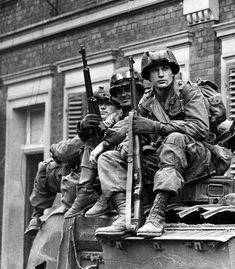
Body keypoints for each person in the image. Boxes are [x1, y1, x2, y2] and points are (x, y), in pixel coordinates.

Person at [94, 48, 232, 238]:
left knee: (174, 139)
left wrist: (157, 127)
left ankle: (157, 214)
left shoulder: (189, 92)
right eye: (154, 70)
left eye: (165, 69)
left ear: (173, 71)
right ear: (148, 76)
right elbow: (131, 123)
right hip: (168, 160)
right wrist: (104, 145)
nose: (160, 74)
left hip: (200, 158)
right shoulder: (147, 100)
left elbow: (200, 128)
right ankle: (123, 214)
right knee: (109, 158)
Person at [25, 86, 121, 236]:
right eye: (98, 104)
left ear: (117, 106)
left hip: (101, 180)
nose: (102, 107)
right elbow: (61, 152)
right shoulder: (89, 126)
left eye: (107, 103)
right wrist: (82, 134)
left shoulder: (119, 122)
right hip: (79, 178)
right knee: (46, 167)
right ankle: (36, 216)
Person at [64, 70, 145, 218]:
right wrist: (83, 127)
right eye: (119, 91)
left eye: (128, 90)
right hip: (118, 162)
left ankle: (104, 197)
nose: (124, 94)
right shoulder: (116, 116)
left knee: (105, 151)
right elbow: (99, 132)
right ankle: (85, 191)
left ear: (138, 91)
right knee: (91, 141)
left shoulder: (144, 110)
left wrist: (106, 140)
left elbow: (127, 129)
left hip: (139, 161)